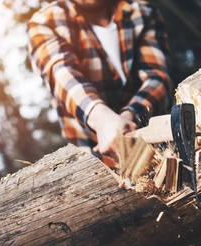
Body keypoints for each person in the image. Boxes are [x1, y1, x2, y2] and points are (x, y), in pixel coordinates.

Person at [27, 0, 172, 168]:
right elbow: (62, 75)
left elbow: (158, 76)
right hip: (95, 166)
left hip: (162, 147)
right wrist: (102, 120)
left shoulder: (141, 11)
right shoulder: (46, 22)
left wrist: (128, 118)